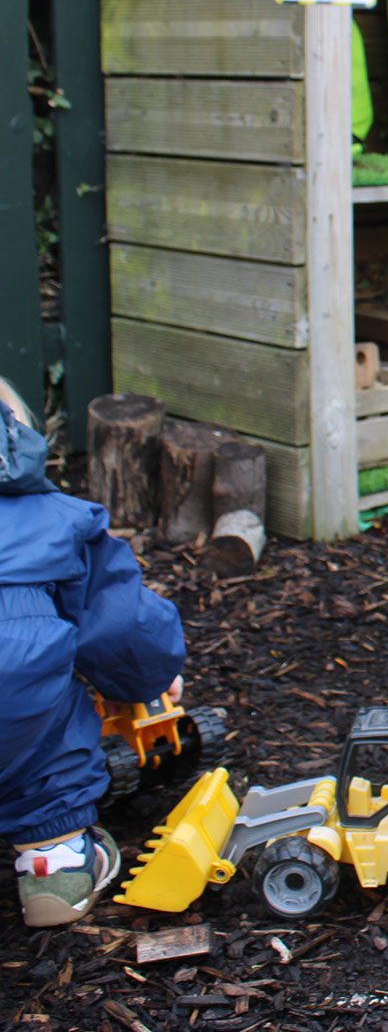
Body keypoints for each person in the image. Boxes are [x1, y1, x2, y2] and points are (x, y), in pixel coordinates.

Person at [0, 381, 186, 927]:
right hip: (12, 721)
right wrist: (150, 678)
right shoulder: (56, 521)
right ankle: (53, 864)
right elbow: (122, 626)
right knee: (43, 739)